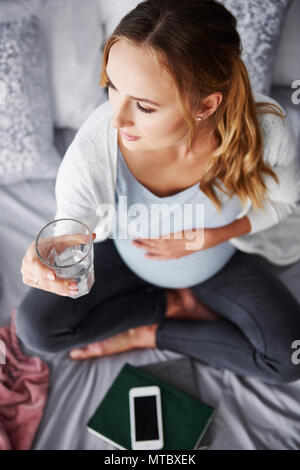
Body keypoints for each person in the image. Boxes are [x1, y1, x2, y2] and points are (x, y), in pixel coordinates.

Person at [16, 0, 300, 384]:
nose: (116, 118)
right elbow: (71, 229)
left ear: (205, 105)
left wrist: (210, 238)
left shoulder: (264, 130)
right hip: (125, 258)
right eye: (112, 88)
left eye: (145, 107)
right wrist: (42, 254)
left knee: (289, 357)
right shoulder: (92, 151)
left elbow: (284, 202)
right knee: (36, 328)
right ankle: (166, 306)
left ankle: (150, 333)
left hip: (217, 261)